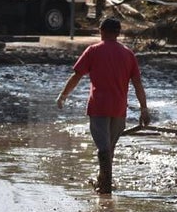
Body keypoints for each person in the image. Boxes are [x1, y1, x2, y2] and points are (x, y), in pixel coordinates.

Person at [55, 16, 149, 194]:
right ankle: (103, 181)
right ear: (118, 33)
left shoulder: (93, 51)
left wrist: (63, 95)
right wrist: (144, 108)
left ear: (101, 32)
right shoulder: (128, 54)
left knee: (104, 148)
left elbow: (76, 76)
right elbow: (137, 84)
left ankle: (105, 186)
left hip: (98, 107)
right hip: (119, 109)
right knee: (109, 148)